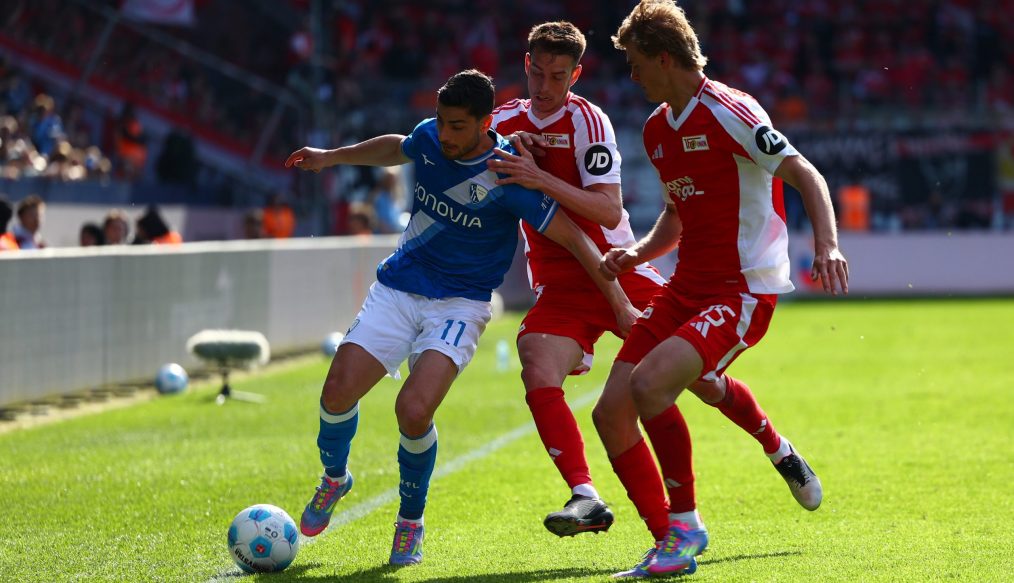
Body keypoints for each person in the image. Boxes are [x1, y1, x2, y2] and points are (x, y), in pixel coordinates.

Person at [283, 69, 638, 567]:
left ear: (484, 122)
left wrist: (619, 302)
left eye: (456, 126)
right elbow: (398, 146)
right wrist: (331, 157)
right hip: (398, 288)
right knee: (337, 389)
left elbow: (576, 239)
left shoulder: (509, 175)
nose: (444, 135)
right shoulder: (430, 136)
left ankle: (409, 522)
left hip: (461, 304)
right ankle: (335, 479)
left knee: (413, 409)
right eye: (441, 122)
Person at [601, 0, 849, 576]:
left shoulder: (731, 111)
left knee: (652, 385)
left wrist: (828, 244)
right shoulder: (658, 128)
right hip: (685, 286)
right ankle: (775, 448)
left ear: (665, 59)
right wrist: (638, 252)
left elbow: (805, 172)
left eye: (637, 64)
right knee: (614, 410)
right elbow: (676, 212)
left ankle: (683, 532)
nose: (632, 77)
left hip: (741, 291)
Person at [485, 21, 668, 538]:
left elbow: (609, 213)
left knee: (693, 371)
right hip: (560, 279)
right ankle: (585, 495)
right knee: (537, 362)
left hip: (619, 267)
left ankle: (776, 446)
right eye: (537, 73)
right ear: (526, 65)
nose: (545, 87)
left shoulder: (589, 121)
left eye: (558, 76)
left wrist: (539, 176)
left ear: (576, 74)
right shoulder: (503, 120)